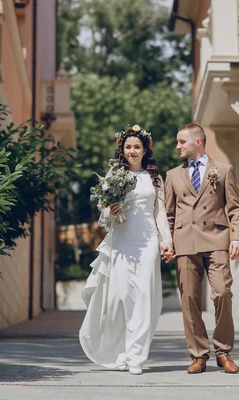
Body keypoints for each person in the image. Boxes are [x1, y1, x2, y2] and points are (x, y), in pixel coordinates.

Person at [79, 125, 174, 375]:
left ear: (145, 150)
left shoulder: (154, 178)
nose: (132, 151)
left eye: (137, 147)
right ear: (122, 149)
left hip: (147, 241)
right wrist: (111, 211)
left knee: (143, 297)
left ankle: (136, 357)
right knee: (119, 297)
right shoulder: (114, 175)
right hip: (121, 241)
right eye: (128, 147)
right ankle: (117, 351)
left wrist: (167, 240)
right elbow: (104, 214)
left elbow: (160, 212)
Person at [164, 123, 239, 374]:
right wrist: (166, 241)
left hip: (217, 240)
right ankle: (198, 354)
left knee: (222, 293)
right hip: (184, 243)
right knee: (189, 301)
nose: (178, 146)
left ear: (197, 142)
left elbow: (235, 209)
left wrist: (237, 238)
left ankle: (223, 351)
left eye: (182, 142)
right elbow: (168, 214)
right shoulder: (173, 175)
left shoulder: (223, 169)